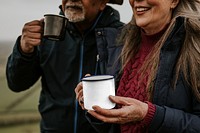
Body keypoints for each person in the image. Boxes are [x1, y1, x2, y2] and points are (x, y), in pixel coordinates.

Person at [75, 0, 200, 132]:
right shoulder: (120, 43)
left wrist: (150, 115)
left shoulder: (195, 46)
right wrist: (97, 105)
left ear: (174, 1)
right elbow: (115, 126)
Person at [6, 0, 124, 133]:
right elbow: (17, 84)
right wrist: (24, 50)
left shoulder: (124, 38)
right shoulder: (46, 34)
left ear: (102, 3)